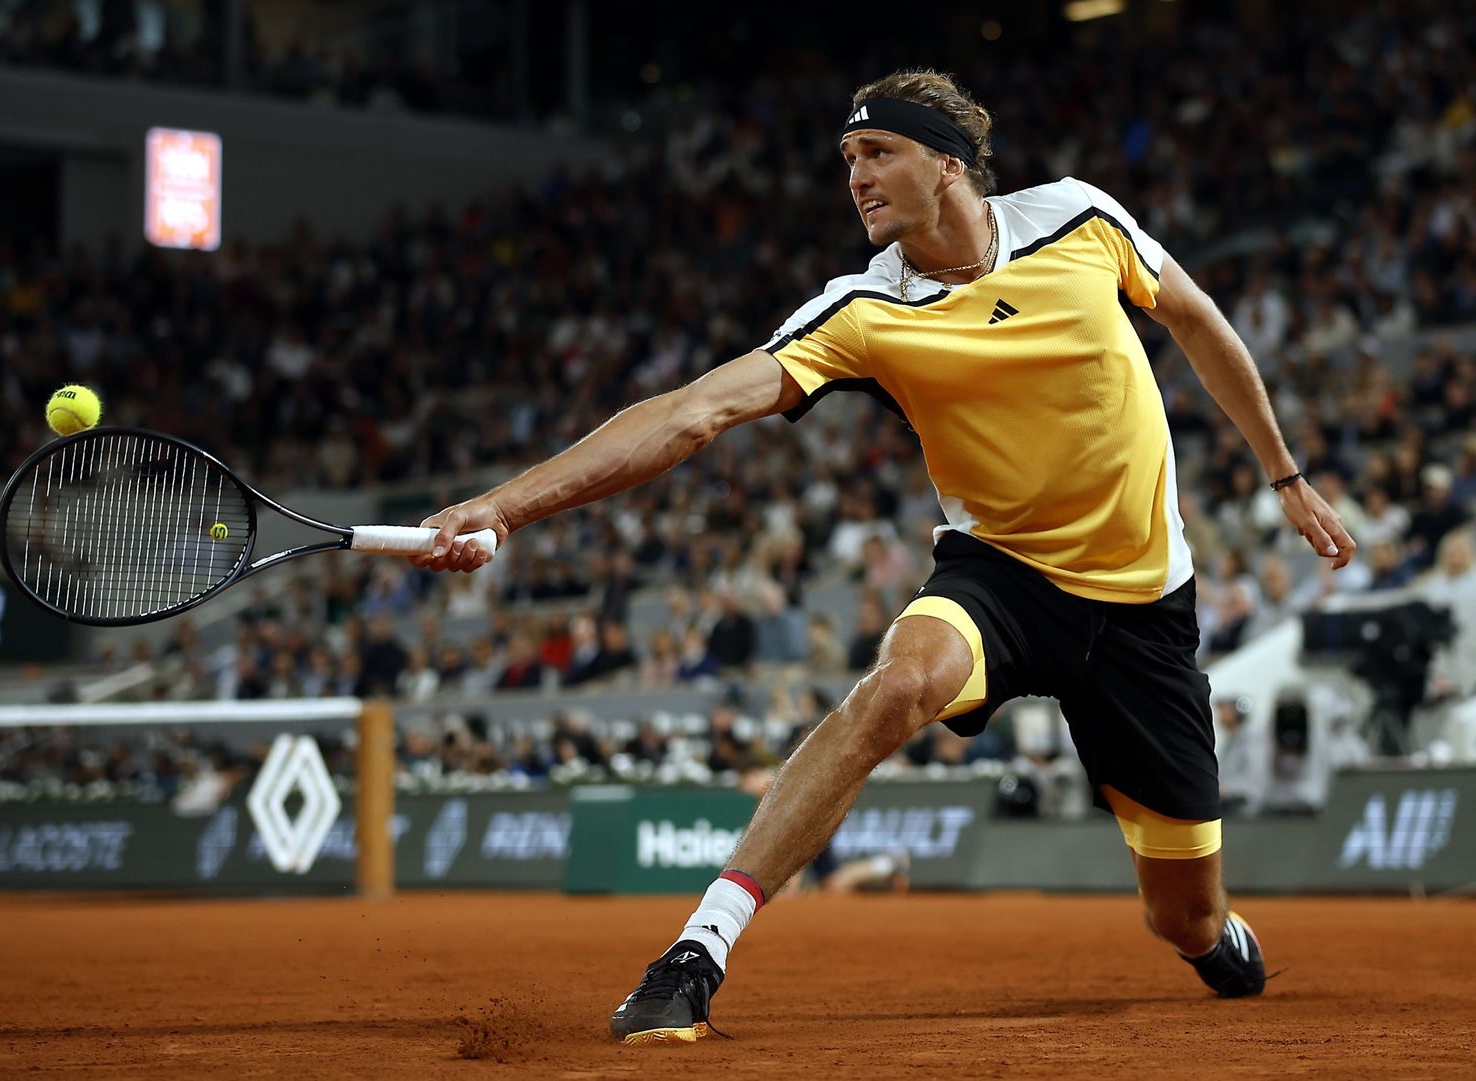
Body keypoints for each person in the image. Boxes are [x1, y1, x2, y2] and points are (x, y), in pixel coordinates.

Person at [411, 69, 1356, 1043]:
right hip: (1003, 577)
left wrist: (1284, 476)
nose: (855, 178)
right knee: (897, 683)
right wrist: (503, 505)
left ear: (947, 161)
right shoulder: (863, 309)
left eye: (877, 154)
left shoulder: (1078, 220)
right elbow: (694, 412)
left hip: (1142, 609)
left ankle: (1211, 940)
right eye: (847, 161)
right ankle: (696, 949)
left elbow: (1195, 317)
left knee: (1182, 915)